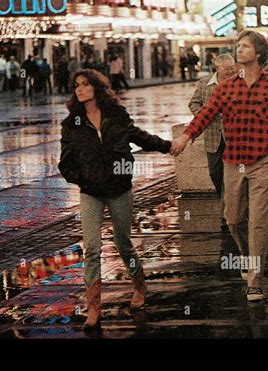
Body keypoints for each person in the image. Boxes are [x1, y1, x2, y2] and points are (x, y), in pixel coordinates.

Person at [171, 31, 268, 302]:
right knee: (233, 218)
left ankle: (255, 281)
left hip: (263, 161)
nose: (239, 50)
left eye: (245, 46)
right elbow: (206, 114)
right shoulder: (227, 87)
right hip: (234, 162)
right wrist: (186, 136)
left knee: (258, 221)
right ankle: (246, 254)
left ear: (258, 53)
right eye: (238, 46)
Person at [58, 69, 171, 330]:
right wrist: (84, 179)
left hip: (119, 188)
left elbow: (139, 136)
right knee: (92, 248)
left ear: (97, 87)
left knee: (123, 243)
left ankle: (139, 284)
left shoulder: (116, 115)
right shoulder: (72, 123)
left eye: (86, 84)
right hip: (91, 192)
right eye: (77, 86)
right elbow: (65, 163)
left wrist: (167, 145)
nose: (80, 89)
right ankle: (94, 308)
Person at [188, 53, 235, 231]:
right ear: (217, 68)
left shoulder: (238, 83)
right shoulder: (204, 84)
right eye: (227, 68)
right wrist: (204, 116)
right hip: (213, 136)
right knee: (216, 174)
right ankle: (227, 206)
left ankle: (226, 214)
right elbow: (193, 104)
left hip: (234, 137)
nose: (230, 71)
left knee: (230, 177)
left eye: (232, 67)